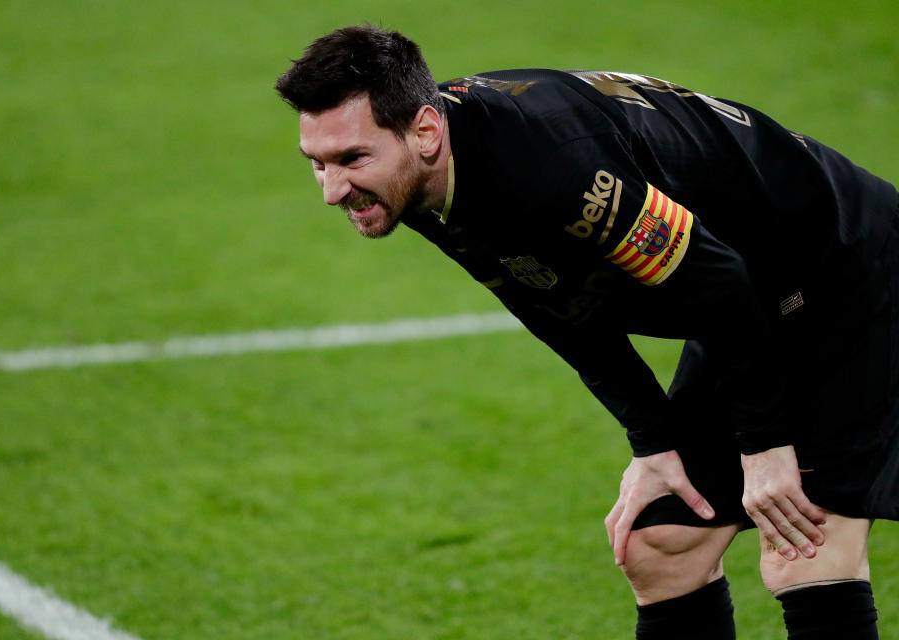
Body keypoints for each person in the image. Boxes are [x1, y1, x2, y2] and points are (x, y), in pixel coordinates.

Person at [275, 24, 898, 639]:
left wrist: (764, 445)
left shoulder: (554, 170)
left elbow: (718, 284)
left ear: (426, 131)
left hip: (843, 269)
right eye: (317, 163)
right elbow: (547, 300)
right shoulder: (411, 174)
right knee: (662, 546)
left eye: (351, 159)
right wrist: (653, 442)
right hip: (749, 302)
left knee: (805, 545)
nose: (333, 190)